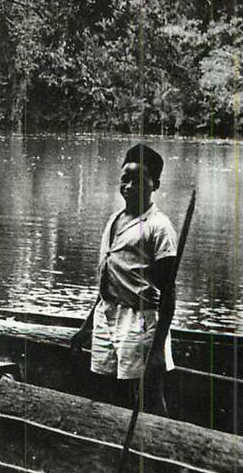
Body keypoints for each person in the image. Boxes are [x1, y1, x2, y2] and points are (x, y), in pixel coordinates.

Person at [68, 143, 178, 415]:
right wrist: (86, 328)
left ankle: (159, 444)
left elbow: (169, 294)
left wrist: (156, 349)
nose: (129, 186)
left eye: (139, 181)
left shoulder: (159, 227)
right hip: (107, 315)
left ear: (156, 185)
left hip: (140, 320)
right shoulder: (114, 220)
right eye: (125, 179)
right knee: (109, 388)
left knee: (149, 391)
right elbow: (107, 282)